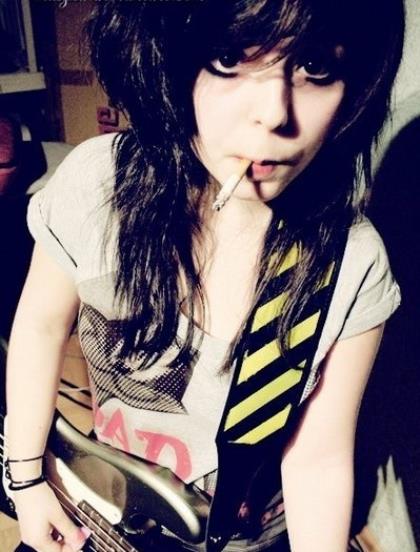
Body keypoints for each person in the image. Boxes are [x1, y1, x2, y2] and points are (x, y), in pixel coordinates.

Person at [4, 1, 405, 551]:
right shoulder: (97, 184)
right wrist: (26, 480)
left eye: (315, 67)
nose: (274, 114)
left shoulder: (352, 262)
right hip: (107, 502)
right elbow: (42, 326)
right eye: (228, 58)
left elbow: (318, 459)